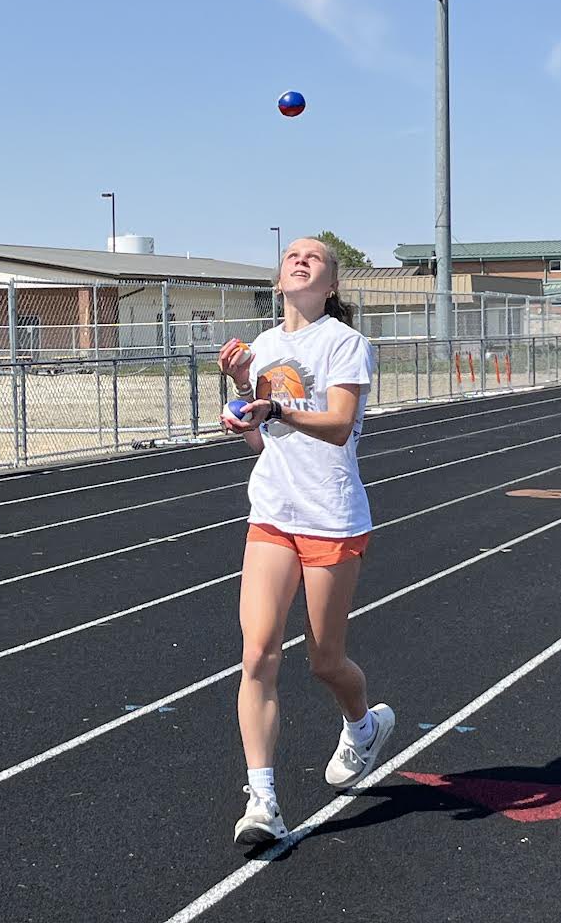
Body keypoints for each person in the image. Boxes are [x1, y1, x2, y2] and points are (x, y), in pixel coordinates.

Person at [218, 237, 395, 848]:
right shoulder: (263, 347)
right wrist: (243, 408)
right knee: (259, 653)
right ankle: (262, 799)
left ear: (331, 284)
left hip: (331, 517)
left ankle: (364, 723)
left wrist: (274, 409)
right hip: (272, 513)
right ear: (278, 277)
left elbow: (340, 424)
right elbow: (259, 442)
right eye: (292, 255)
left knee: (324, 661)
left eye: (314, 257)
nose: (301, 259)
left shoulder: (344, 343)